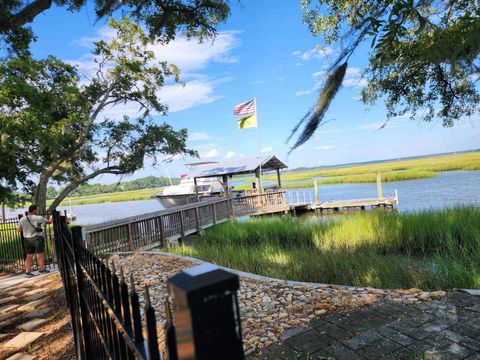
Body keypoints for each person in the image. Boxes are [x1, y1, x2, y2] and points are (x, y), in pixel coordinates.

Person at [16, 204, 53, 277]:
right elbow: (49, 222)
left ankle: (27, 272)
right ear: (34, 210)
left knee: (29, 255)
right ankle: (41, 269)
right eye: (37, 210)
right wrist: (52, 217)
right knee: (40, 254)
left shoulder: (22, 219)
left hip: (27, 239)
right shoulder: (39, 218)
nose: (38, 211)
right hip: (37, 238)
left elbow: (18, 230)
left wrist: (27, 228)